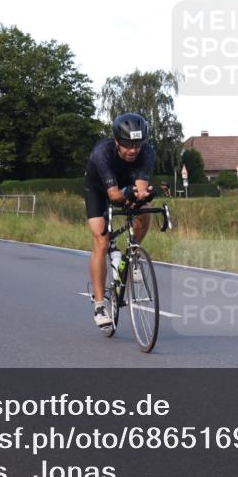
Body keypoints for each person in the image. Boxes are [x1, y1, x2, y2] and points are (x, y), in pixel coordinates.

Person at [83, 113, 155, 328]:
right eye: (127, 144)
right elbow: (114, 196)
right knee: (102, 241)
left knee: (145, 209)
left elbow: (140, 188)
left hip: (125, 186)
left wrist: (143, 195)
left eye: (137, 144)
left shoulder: (147, 153)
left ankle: (133, 254)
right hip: (98, 189)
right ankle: (99, 305)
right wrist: (128, 193)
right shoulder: (102, 152)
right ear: (116, 140)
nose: (133, 150)